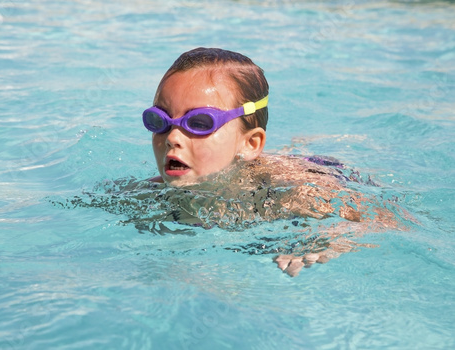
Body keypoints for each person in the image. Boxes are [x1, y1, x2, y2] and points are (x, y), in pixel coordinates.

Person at [142, 47, 402, 277]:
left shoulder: (293, 192)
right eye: (159, 121)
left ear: (250, 143)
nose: (172, 137)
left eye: (199, 123)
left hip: (322, 169)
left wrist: (334, 239)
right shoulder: (144, 195)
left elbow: (388, 222)